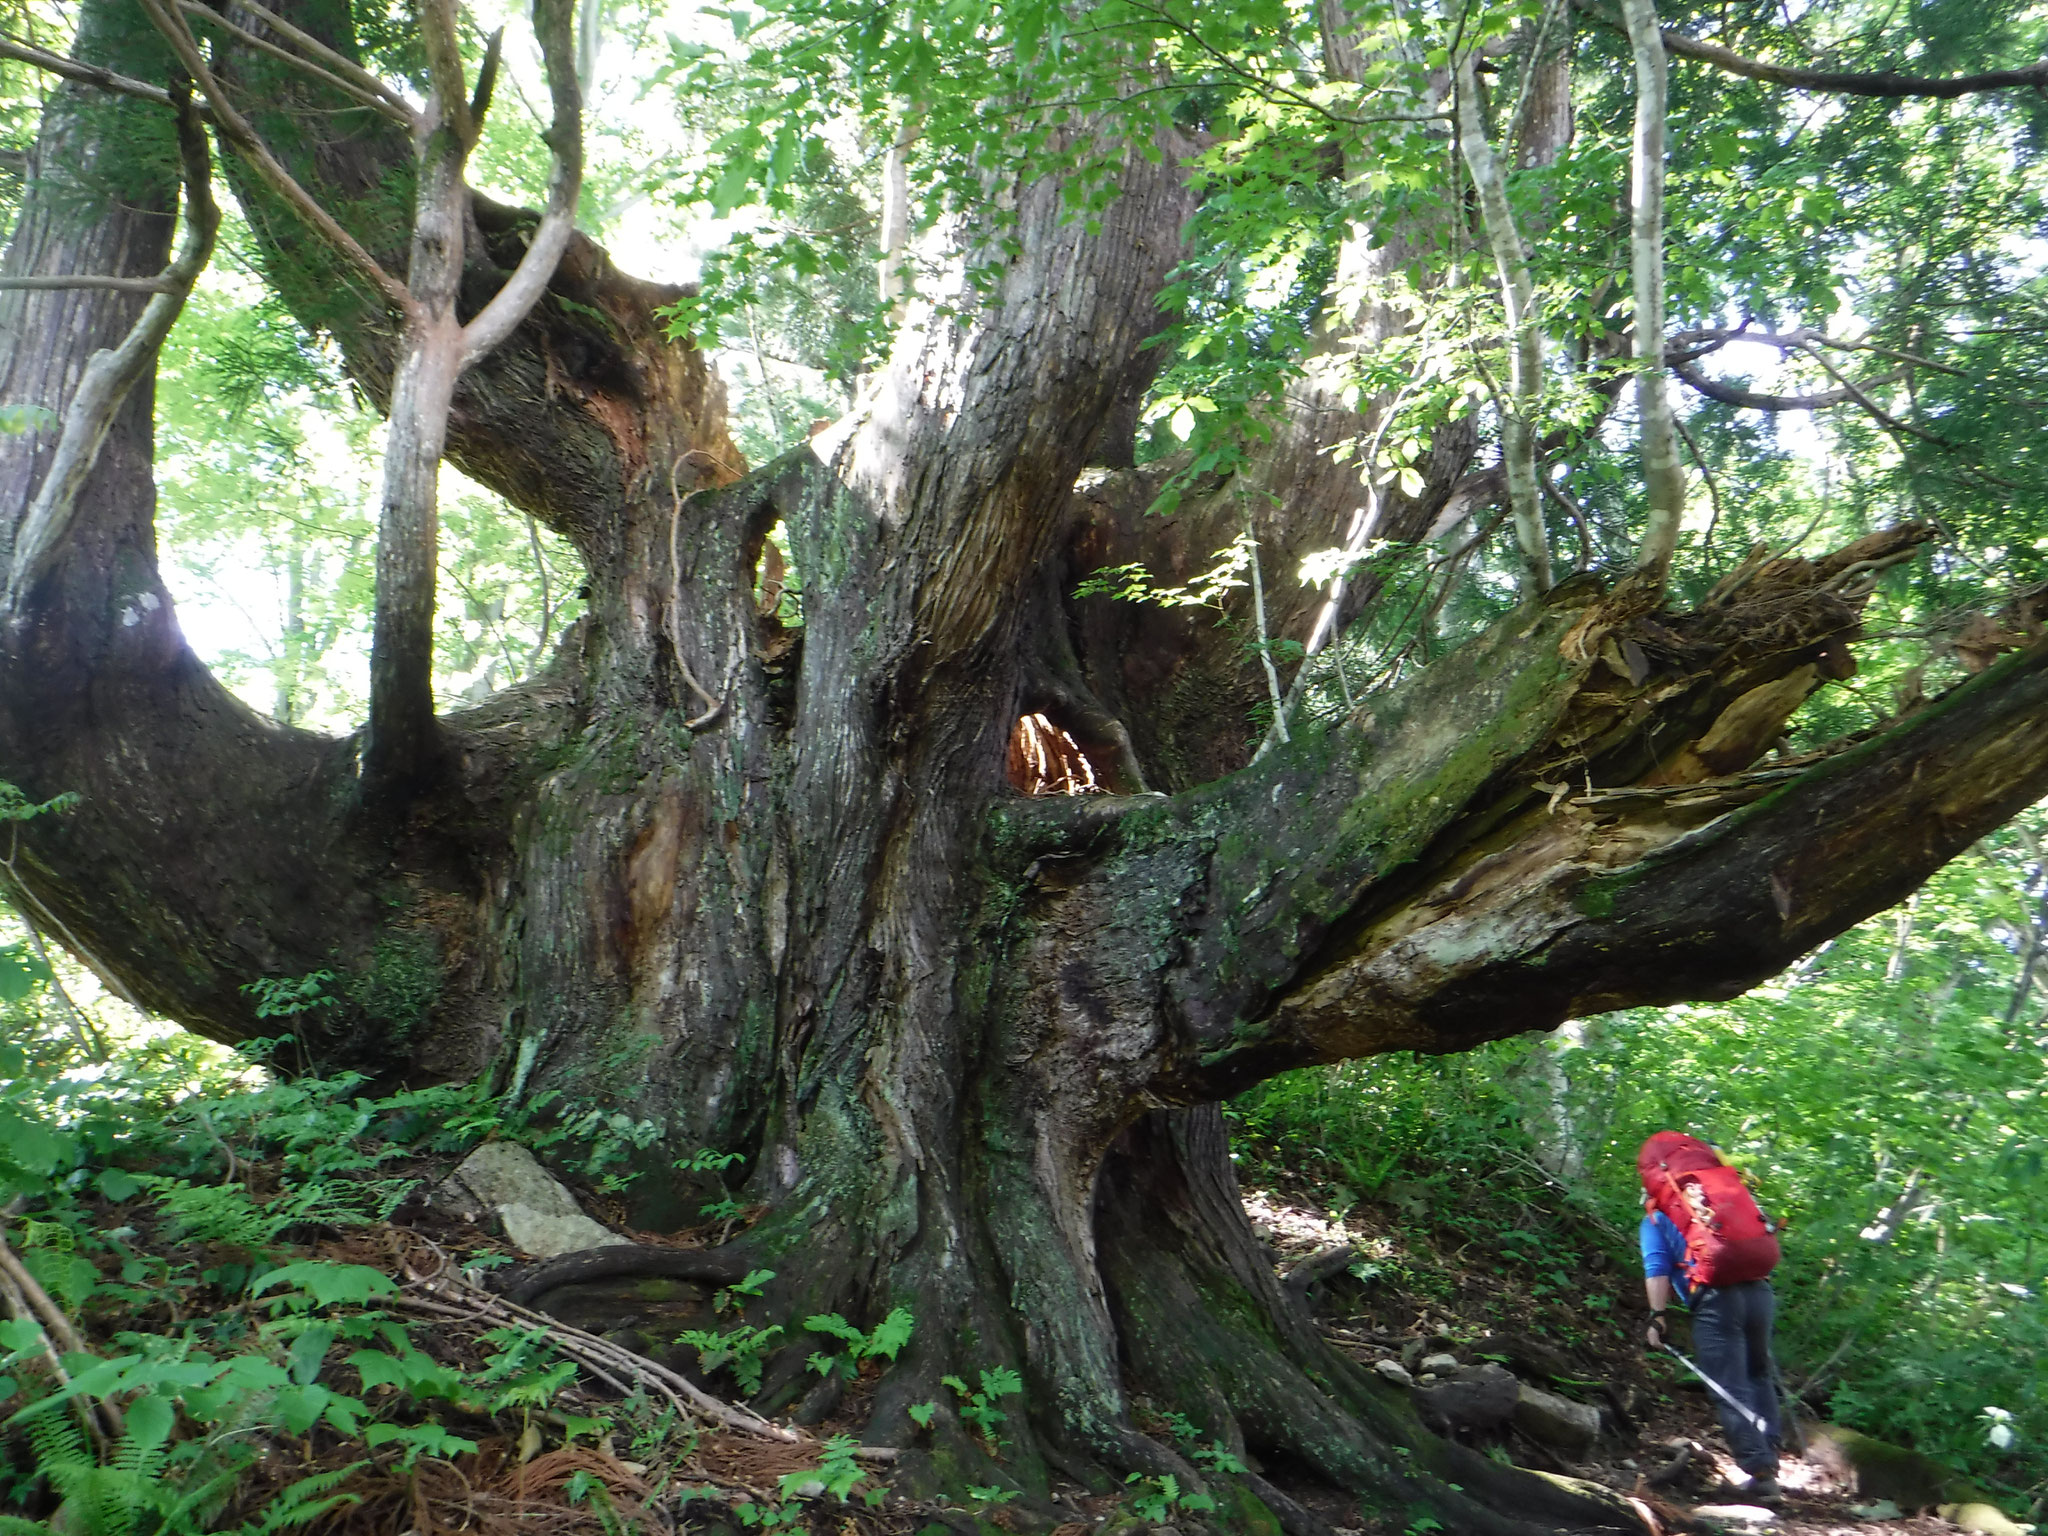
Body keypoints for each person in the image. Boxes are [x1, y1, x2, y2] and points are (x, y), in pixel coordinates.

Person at [1641, 1151, 1783, 1502]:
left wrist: (1657, 1317)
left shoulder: (1655, 1220)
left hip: (1716, 1299)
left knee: (1730, 1386)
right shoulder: (1719, 1206)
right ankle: (1768, 1462)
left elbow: (1657, 1267)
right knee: (1758, 1374)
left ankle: (1761, 1476)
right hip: (1759, 1291)